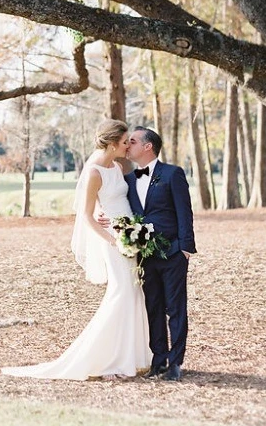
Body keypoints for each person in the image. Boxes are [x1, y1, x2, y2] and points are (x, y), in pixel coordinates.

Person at [1, 119, 151, 380]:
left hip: (130, 234)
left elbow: (119, 202)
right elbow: (86, 216)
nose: (128, 146)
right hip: (113, 241)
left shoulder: (116, 167)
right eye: (125, 141)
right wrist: (113, 239)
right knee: (121, 293)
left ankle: (133, 356)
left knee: (134, 293)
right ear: (113, 143)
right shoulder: (94, 172)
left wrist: (133, 231)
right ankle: (108, 361)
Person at [111, 126, 196, 382]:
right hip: (144, 256)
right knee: (153, 308)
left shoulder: (172, 174)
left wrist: (185, 248)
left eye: (133, 141)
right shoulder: (127, 180)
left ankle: (175, 363)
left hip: (172, 252)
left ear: (148, 146)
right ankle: (158, 360)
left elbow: (184, 211)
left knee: (176, 308)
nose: (128, 146)